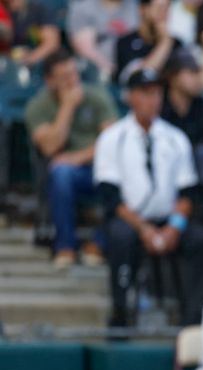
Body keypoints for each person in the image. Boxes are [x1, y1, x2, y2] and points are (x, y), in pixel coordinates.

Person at [94, 68, 203, 327]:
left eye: (157, 93)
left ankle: (193, 318)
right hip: (131, 221)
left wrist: (174, 228)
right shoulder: (113, 137)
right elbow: (110, 196)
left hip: (167, 221)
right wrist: (145, 230)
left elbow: (187, 192)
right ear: (131, 97)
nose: (153, 100)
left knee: (201, 240)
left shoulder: (175, 137)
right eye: (146, 93)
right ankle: (121, 314)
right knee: (120, 237)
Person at [24, 49, 118, 269]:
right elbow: (50, 147)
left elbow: (112, 143)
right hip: (67, 175)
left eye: (74, 74)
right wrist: (68, 106)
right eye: (64, 77)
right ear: (49, 81)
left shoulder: (96, 96)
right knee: (60, 174)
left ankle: (98, 244)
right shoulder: (38, 106)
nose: (72, 81)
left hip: (101, 167)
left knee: (121, 177)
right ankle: (65, 246)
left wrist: (77, 157)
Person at [160, 48, 203, 145]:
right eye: (191, 72)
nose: (197, 78)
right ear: (172, 77)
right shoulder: (158, 108)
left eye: (198, 73)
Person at [115, 0, 183, 85]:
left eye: (167, 8)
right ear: (142, 9)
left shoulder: (177, 44)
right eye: (159, 8)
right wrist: (165, 42)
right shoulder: (125, 43)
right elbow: (139, 77)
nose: (163, 14)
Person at [66, 0, 139, 80]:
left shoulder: (135, 6)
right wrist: (112, 70)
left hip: (132, 69)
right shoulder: (84, 8)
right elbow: (84, 49)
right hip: (98, 72)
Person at [6, 0, 61, 66]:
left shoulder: (38, 10)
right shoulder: (4, 11)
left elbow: (52, 43)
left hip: (36, 62)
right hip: (9, 60)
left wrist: (30, 59)